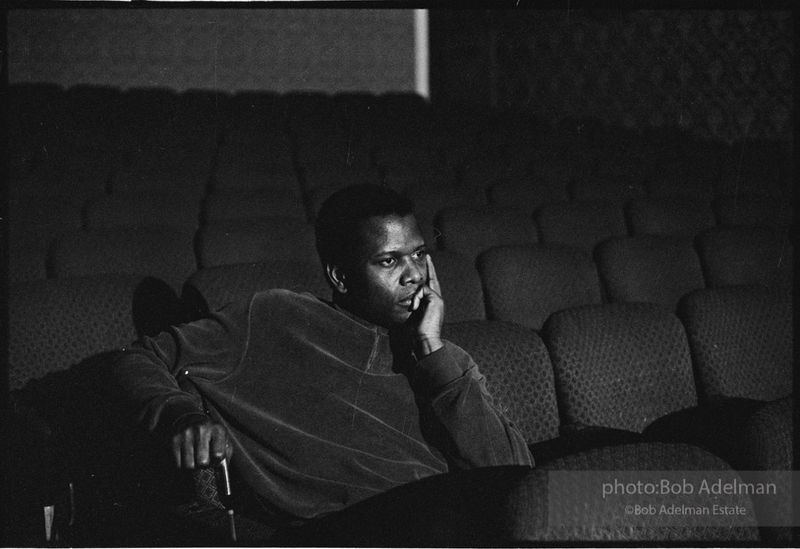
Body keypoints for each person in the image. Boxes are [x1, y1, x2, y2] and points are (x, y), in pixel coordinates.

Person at [111, 183, 533, 528]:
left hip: (453, 520)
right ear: (341, 277)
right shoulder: (278, 317)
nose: (415, 275)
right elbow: (139, 358)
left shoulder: (444, 359)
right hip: (348, 529)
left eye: (420, 254)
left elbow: (516, 479)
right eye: (389, 261)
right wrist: (179, 415)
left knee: (587, 498)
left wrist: (430, 350)